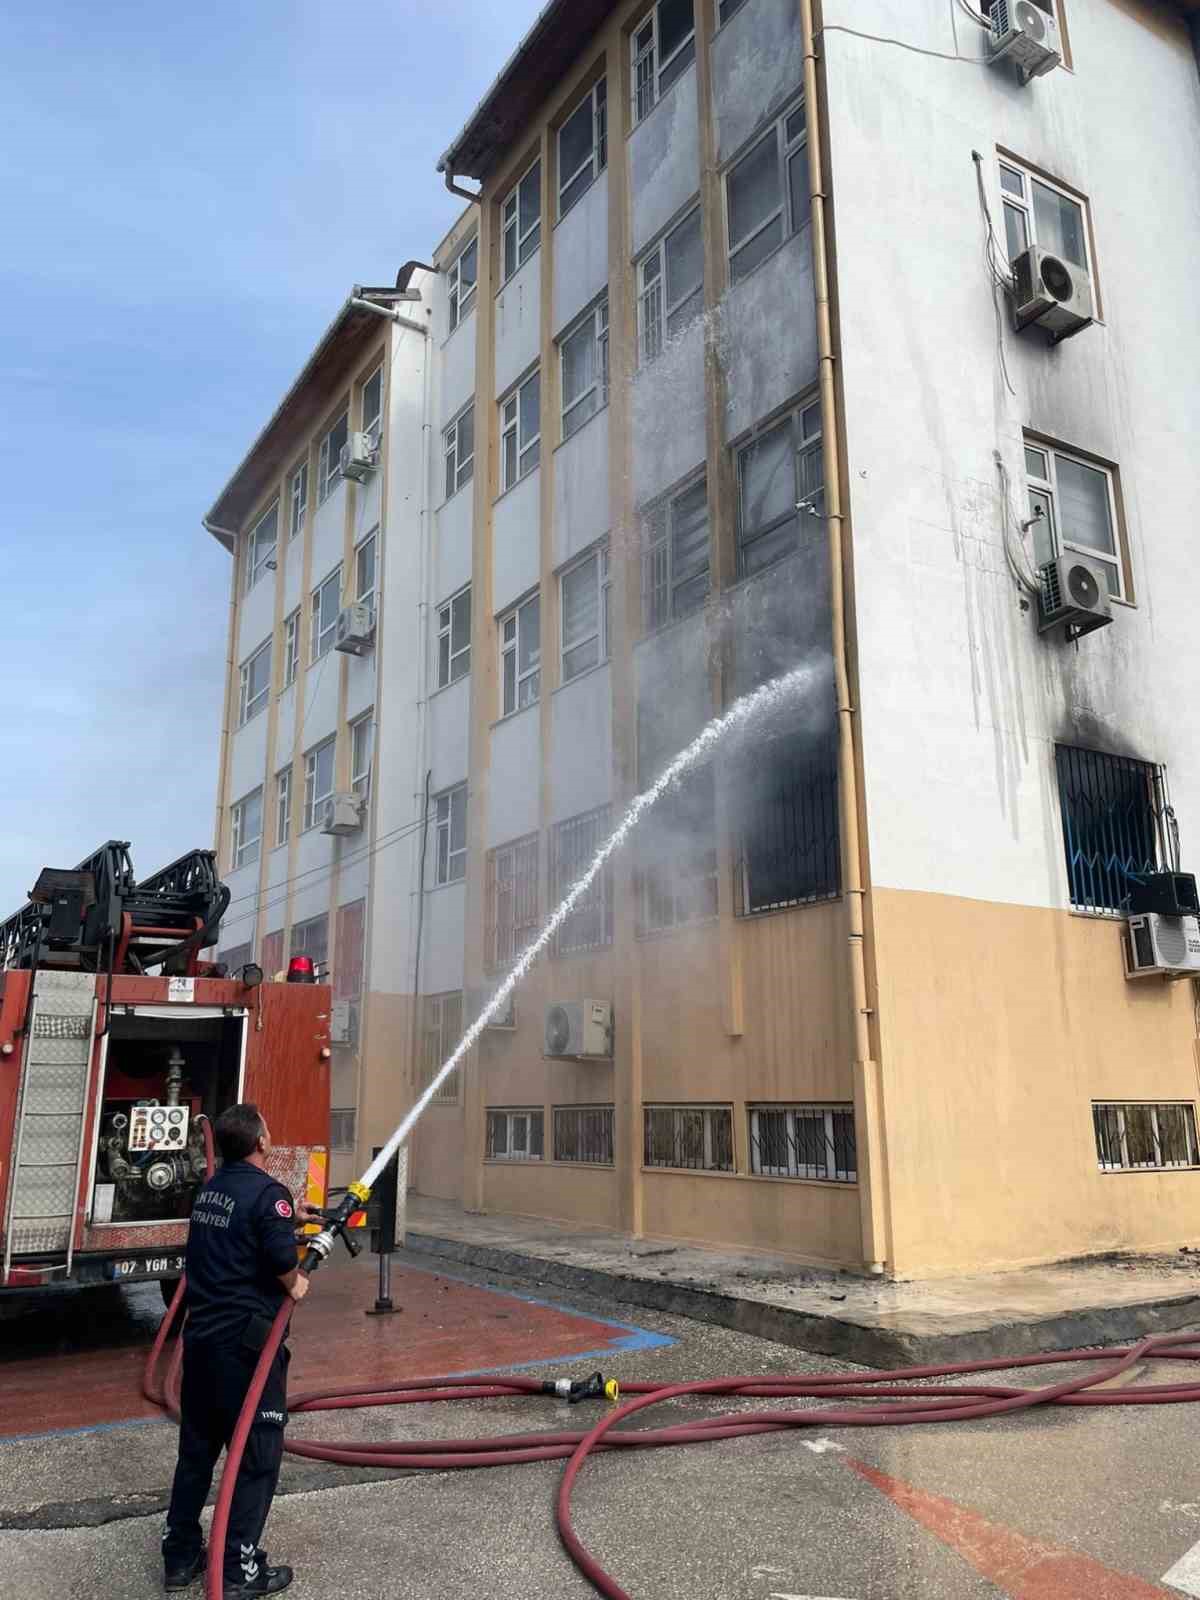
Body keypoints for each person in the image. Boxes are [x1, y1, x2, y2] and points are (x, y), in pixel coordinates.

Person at [162, 1103, 318, 1597]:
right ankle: (238, 1570)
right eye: (268, 1131)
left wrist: (289, 1217)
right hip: (246, 1349)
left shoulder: (212, 1190)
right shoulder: (268, 1194)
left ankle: (181, 1556)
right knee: (256, 1457)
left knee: (197, 1453)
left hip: (201, 1345)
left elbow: (238, 1234)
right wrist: (295, 1282)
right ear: (261, 1142)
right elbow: (275, 1258)